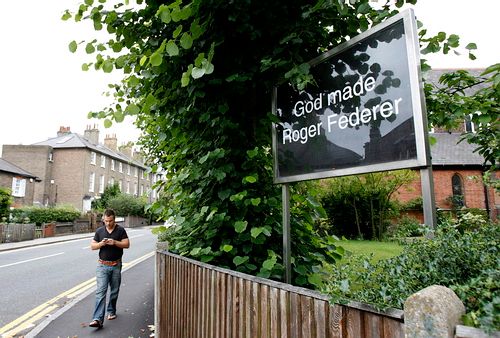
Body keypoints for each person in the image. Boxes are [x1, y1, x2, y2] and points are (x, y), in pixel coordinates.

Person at [89, 209, 130, 328]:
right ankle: (97, 319)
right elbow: (92, 246)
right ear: (103, 219)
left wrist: (115, 242)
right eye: (106, 221)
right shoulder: (99, 231)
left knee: (114, 291)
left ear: (114, 219)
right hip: (102, 266)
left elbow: (127, 244)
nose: (108, 223)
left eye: (110, 221)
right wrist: (101, 244)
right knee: (100, 291)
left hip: (116, 265)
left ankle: (111, 311)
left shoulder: (120, 230)